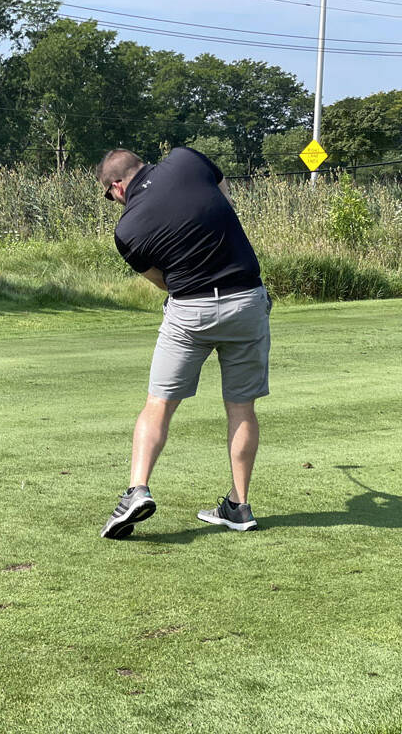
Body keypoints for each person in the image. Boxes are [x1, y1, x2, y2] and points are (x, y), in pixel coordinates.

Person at [97, 147, 271, 538]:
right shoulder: (187, 159)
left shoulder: (126, 230)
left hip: (189, 310)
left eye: (110, 195)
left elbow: (162, 281)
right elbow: (225, 197)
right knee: (241, 408)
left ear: (118, 185)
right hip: (245, 300)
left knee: (158, 405)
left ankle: (137, 489)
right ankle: (239, 506)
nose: (113, 202)